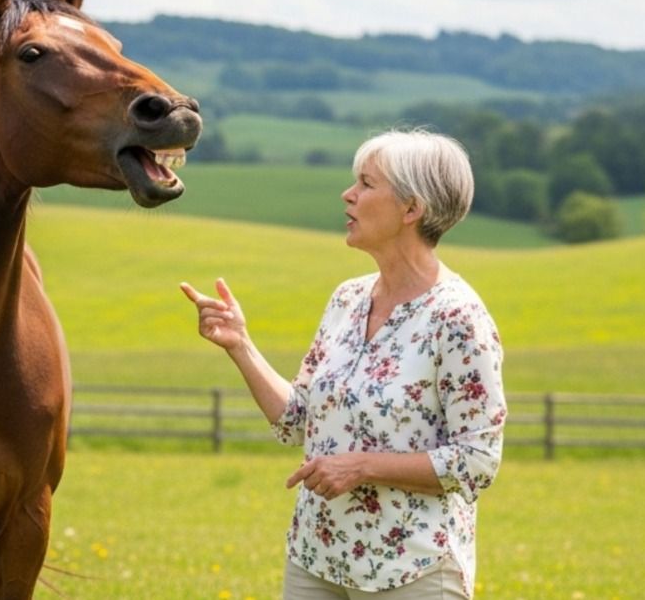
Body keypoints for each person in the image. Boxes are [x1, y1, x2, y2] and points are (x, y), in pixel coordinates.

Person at [181, 130, 506, 599]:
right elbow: (297, 421)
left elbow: (477, 461)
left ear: (411, 209)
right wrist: (240, 345)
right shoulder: (347, 299)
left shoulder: (458, 318)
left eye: (366, 184)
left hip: (411, 568)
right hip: (316, 556)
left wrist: (362, 466)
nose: (347, 195)